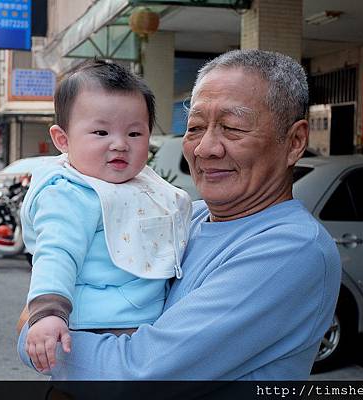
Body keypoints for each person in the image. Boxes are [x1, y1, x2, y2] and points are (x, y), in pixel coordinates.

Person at [18, 49, 342, 380]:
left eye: (232, 127)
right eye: (196, 127)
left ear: (295, 142)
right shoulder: (184, 217)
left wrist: (33, 338)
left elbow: (138, 374)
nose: (205, 148)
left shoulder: (290, 250)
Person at [21, 59, 191, 374]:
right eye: (101, 131)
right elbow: (57, 253)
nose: (119, 144)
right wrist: (47, 314)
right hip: (94, 326)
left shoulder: (144, 186)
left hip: (146, 325)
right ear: (63, 139)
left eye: (135, 134)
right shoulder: (69, 194)